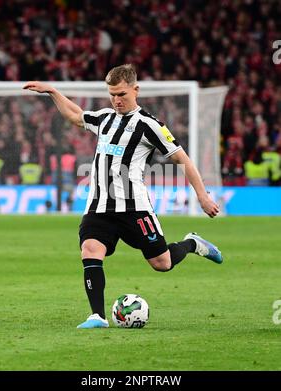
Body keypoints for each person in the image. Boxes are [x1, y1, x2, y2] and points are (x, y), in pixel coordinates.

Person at [23, 64, 223, 329]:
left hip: (134, 207)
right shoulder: (105, 118)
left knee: (162, 263)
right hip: (99, 206)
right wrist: (52, 91)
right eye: (112, 94)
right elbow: (75, 115)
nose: (116, 100)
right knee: (90, 250)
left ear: (135, 90)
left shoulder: (149, 125)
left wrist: (202, 196)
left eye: (121, 94)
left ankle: (192, 243)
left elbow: (181, 158)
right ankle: (97, 316)